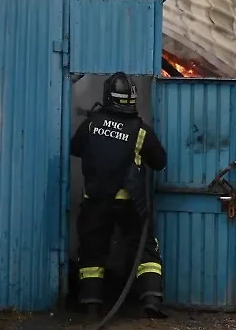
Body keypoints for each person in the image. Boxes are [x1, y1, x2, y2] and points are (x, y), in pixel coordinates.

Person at [71, 72, 168, 319]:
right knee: (145, 249)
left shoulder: (91, 124)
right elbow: (160, 161)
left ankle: (91, 305)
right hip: (130, 203)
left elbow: (75, 148)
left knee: (92, 251)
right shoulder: (140, 130)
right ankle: (152, 301)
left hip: (96, 200)